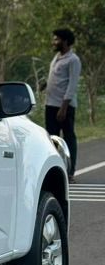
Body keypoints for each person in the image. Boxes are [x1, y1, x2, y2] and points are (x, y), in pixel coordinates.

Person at [44, 27, 82, 180]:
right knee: (52, 138)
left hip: (64, 106)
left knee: (68, 138)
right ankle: (54, 170)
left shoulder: (73, 60)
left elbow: (72, 85)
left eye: (57, 39)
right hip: (51, 104)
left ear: (65, 41)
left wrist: (64, 107)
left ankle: (70, 171)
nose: (54, 42)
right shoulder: (57, 57)